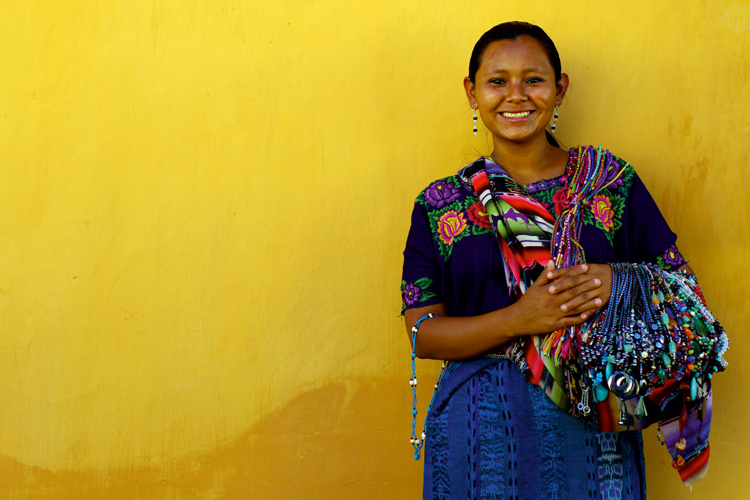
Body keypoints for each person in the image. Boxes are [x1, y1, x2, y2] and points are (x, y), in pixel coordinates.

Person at [400, 22, 694, 499]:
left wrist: (616, 282)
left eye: (533, 80)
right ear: (471, 92)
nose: (515, 95)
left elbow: (683, 293)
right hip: (479, 431)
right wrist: (520, 318)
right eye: (497, 81)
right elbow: (422, 334)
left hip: (595, 431)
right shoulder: (441, 205)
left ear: (559, 89)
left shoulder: (611, 185)